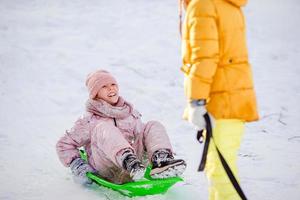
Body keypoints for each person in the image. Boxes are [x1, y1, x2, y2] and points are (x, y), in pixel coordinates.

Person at [179, 0, 259, 199]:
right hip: (232, 96)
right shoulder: (225, 4)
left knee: (221, 173)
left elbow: (204, 57)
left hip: (221, 101)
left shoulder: (203, 5)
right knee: (217, 168)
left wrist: (197, 101)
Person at [56, 70, 186, 185]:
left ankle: (161, 161)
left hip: (137, 166)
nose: (111, 89)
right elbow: (63, 145)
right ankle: (128, 161)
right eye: (104, 86)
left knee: (152, 125)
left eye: (113, 84)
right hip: (107, 169)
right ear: (95, 94)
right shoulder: (89, 120)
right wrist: (77, 164)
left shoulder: (129, 113)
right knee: (103, 128)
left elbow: (143, 137)